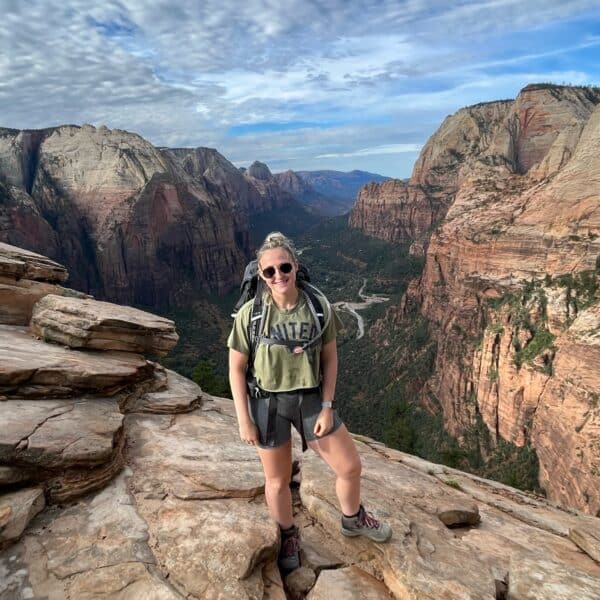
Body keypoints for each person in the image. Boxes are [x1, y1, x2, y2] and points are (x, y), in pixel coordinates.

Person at [228, 232, 392, 573]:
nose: (278, 275)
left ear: (295, 266)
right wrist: (243, 418)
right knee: (277, 481)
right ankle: (288, 534)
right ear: (260, 275)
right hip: (267, 404)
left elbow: (330, 360)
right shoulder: (250, 315)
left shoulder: (319, 307)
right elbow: (236, 368)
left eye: (284, 267)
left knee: (349, 466)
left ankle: (353, 519)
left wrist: (329, 404)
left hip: (311, 399)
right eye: (269, 271)